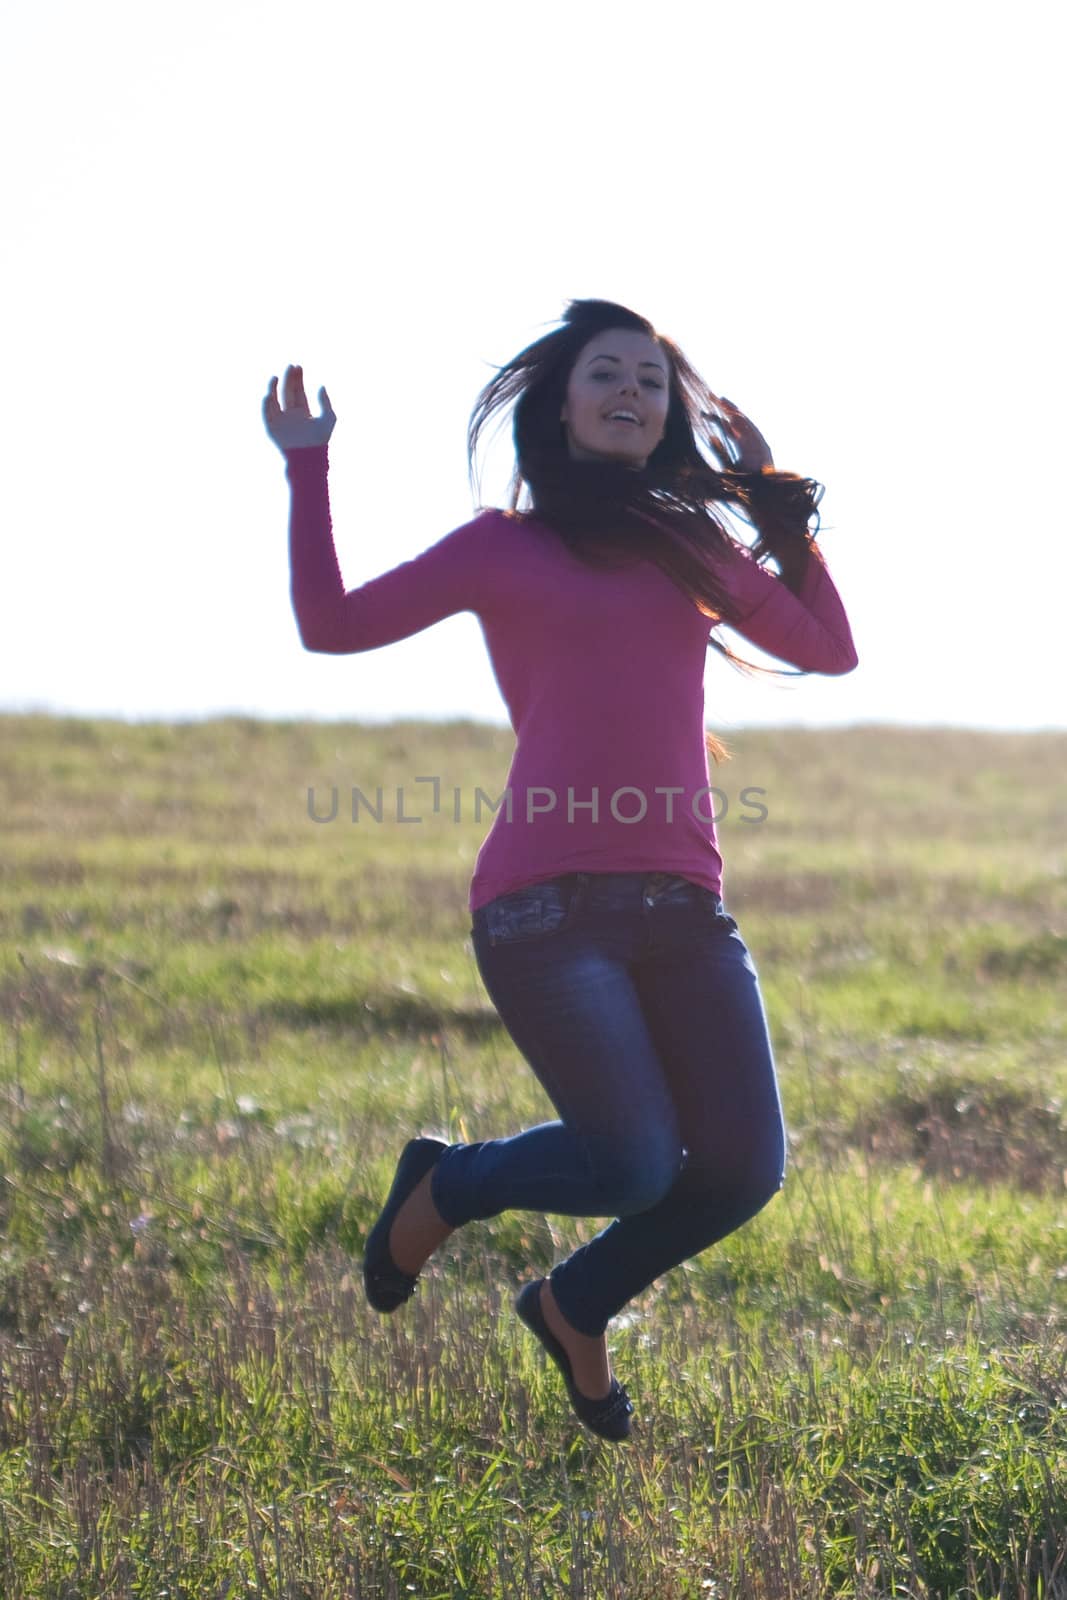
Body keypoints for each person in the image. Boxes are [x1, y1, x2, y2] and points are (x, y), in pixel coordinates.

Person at [263, 298, 857, 1442]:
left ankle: (572, 1305)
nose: (630, 390)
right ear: (563, 404)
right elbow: (330, 626)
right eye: (605, 374)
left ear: (669, 415)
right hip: (543, 909)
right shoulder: (501, 545)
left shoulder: (691, 546)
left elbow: (826, 650)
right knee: (632, 1163)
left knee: (737, 1168)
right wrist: (307, 469)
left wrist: (777, 512)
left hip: (682, 909)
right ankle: (445, 1185)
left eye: (650, 377)